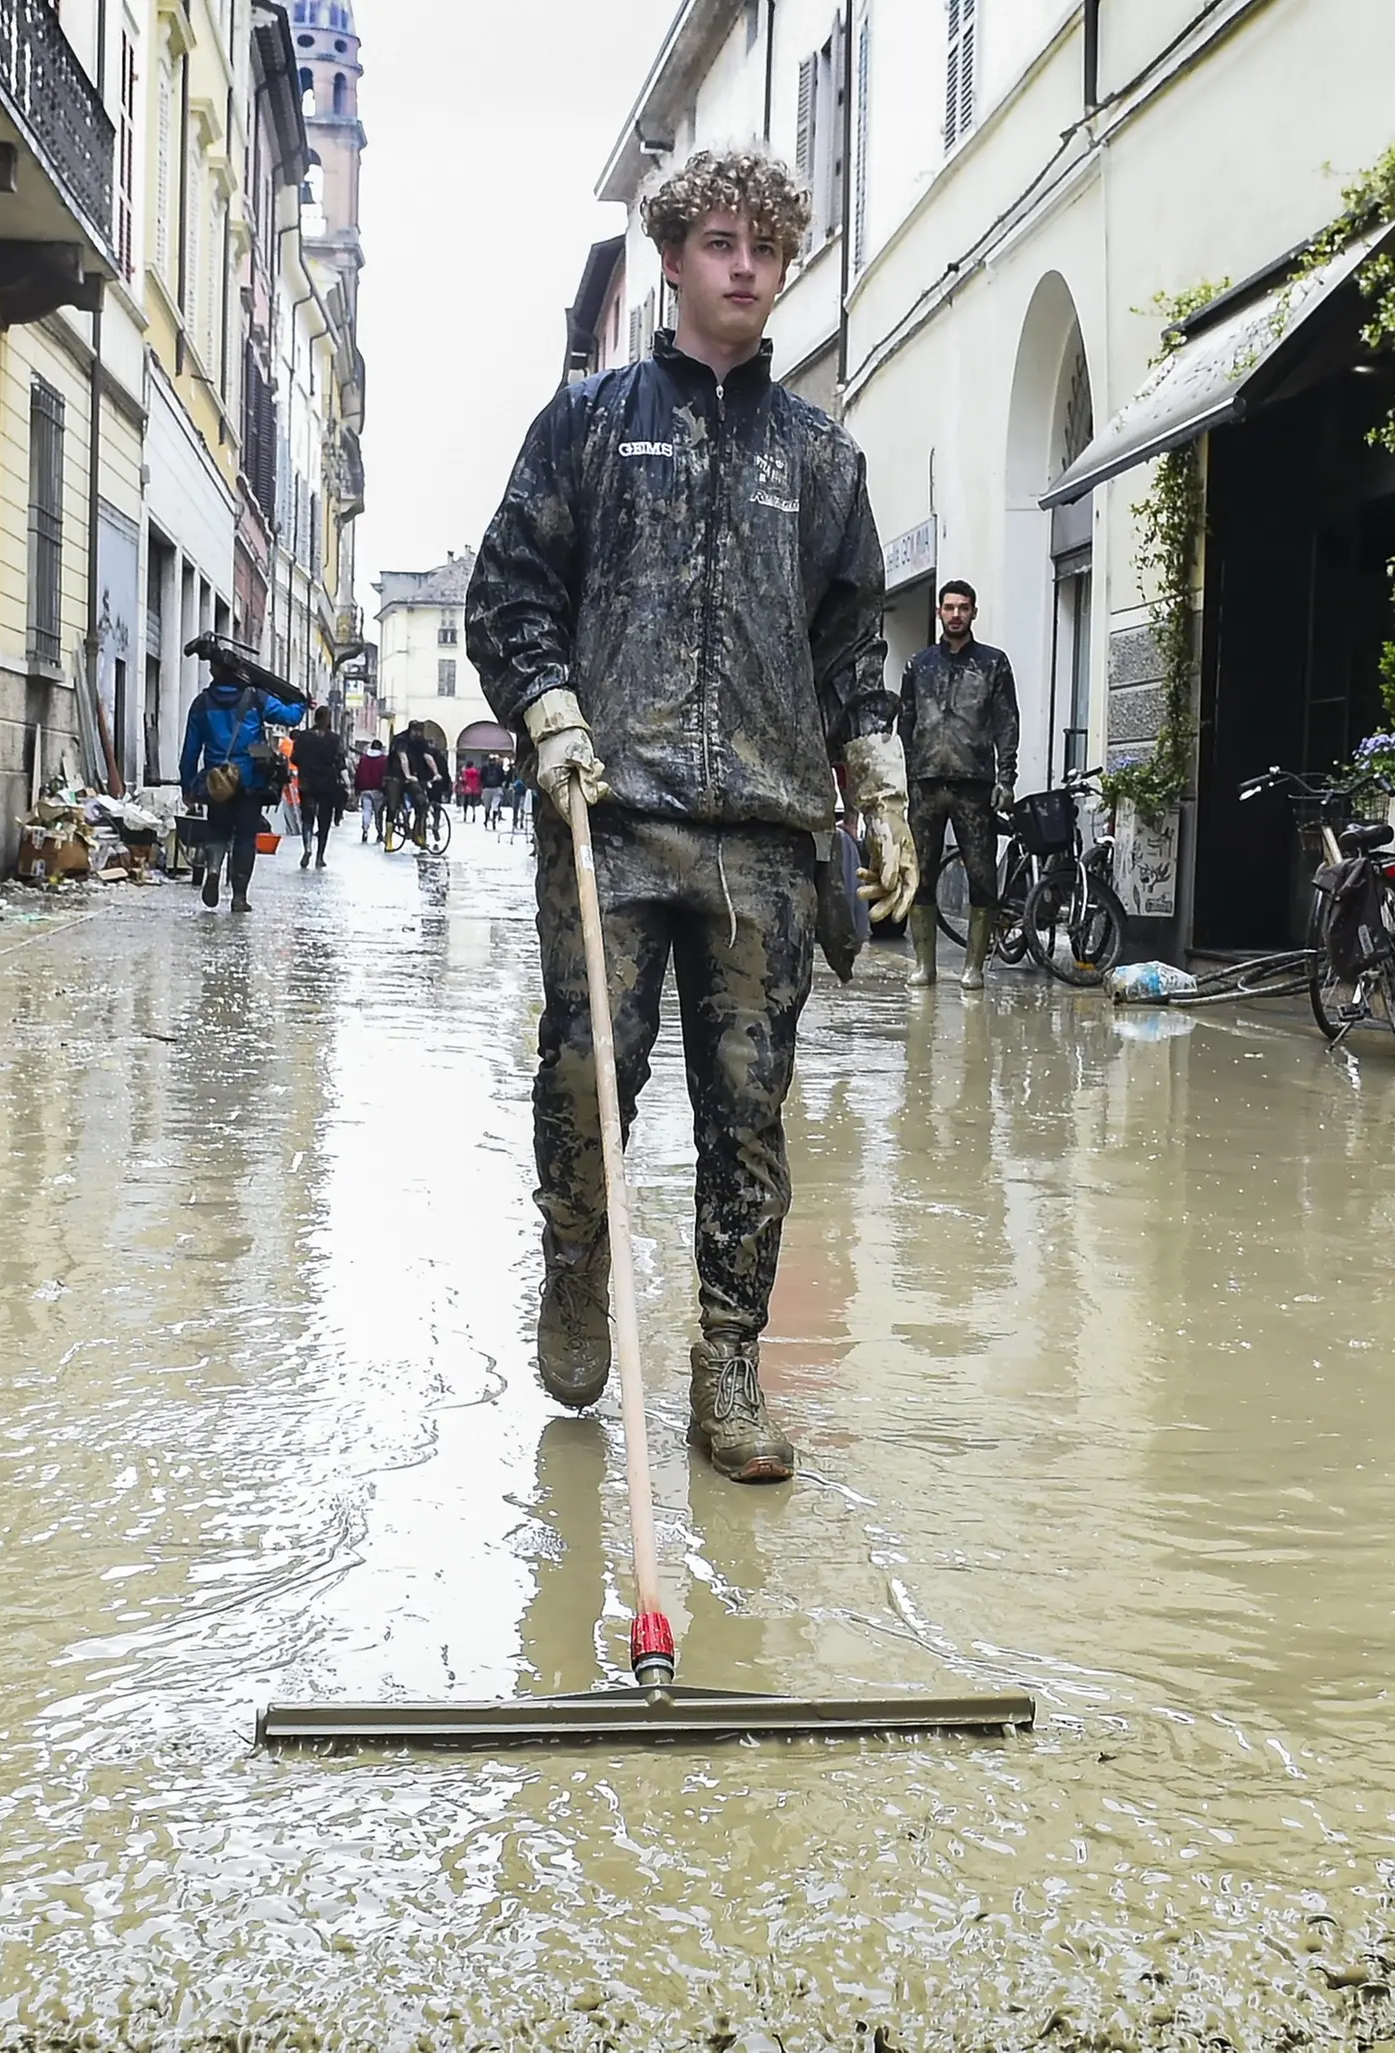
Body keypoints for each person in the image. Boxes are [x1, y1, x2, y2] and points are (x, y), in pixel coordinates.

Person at [467, 145, 905, 1483]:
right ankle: (577, 1262)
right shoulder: (589, 427)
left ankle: (727, 1365)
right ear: (671, 260)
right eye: (721, 243)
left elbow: (851, 649)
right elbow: (510, 591)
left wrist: (875, 784)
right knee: (588, 1077)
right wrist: (547, 712)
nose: (747, 269)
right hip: (611, 818)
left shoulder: (822, 459)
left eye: (768, 249)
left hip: (766, 841)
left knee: (748, 1110)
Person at [896, 579, 1021, 989]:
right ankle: (924, 965)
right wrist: (905, 776)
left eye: (963, 608)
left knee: (983, 878)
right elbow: (906, 722)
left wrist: (1006, 778)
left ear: (973, 613)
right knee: (921, 876)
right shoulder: (918, 665)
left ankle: (974, 967)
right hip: (926, 784)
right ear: (938, 612)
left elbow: (1007, 723)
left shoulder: (993, 664)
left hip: (975, 785)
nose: (955, 614)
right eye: (949, 607)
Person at [177, 661, 308, 911]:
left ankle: (213, 871)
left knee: (217, 831)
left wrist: (188, 786)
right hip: (250, 781)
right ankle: (239, 897)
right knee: (246, 839)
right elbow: (290, 716)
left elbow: (190, 749)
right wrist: (301, 701)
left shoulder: (201, 703)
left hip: (217, 781)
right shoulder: (257, 697)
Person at [293, 717, 350, 868]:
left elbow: (294, 758)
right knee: (324, 821)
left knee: (307, 818)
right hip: (327, 785)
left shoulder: (303, 737)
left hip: (307, 783)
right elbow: (340, 762)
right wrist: (347, 782)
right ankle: (320, 857)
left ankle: (307, 848)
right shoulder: (335, 739)